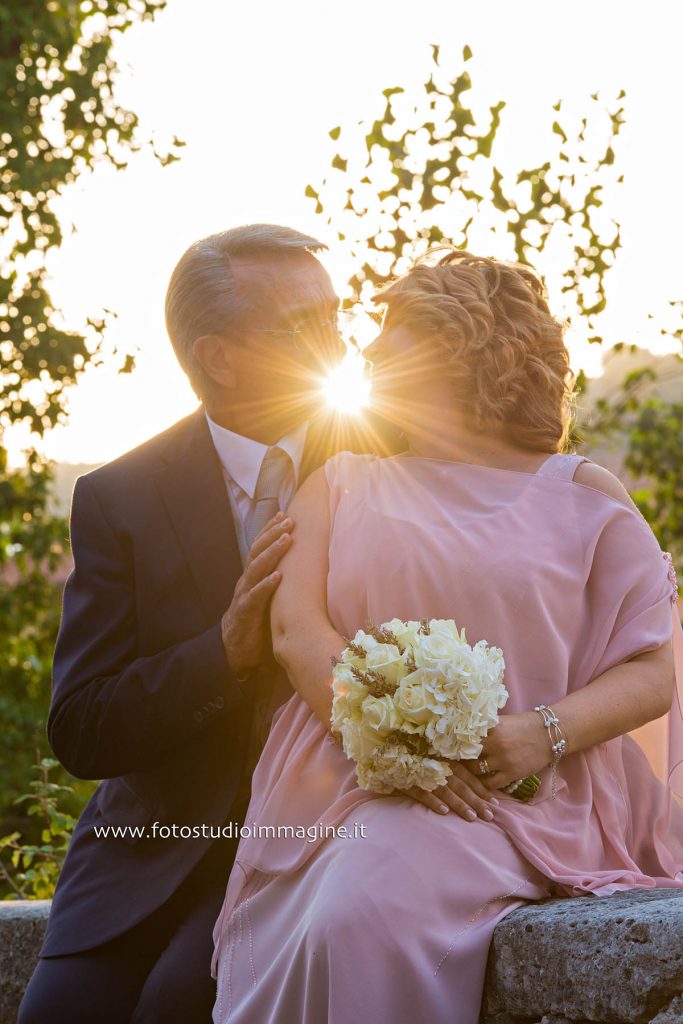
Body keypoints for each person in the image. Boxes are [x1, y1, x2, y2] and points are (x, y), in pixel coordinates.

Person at [210, 249, 683, 1024]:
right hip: (343, 787)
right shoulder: (337, 484)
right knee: (314, 914)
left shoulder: (581, 495)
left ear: (455, 344)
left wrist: (541, 734)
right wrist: (397, 743)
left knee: (358, 912)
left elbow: (651, 670)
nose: (365, 349)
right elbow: (298, 634)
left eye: (391, 329)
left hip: (521, 797)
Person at [18, 224, 402, 1024]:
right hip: (141, 854)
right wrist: (222, 653)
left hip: (316, 844)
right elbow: (82, 728)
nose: (337, 341)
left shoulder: (392, 464)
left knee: (179, 1003)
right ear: (218, 357)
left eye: (334, 315)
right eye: (302, 326)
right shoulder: (116, 498)